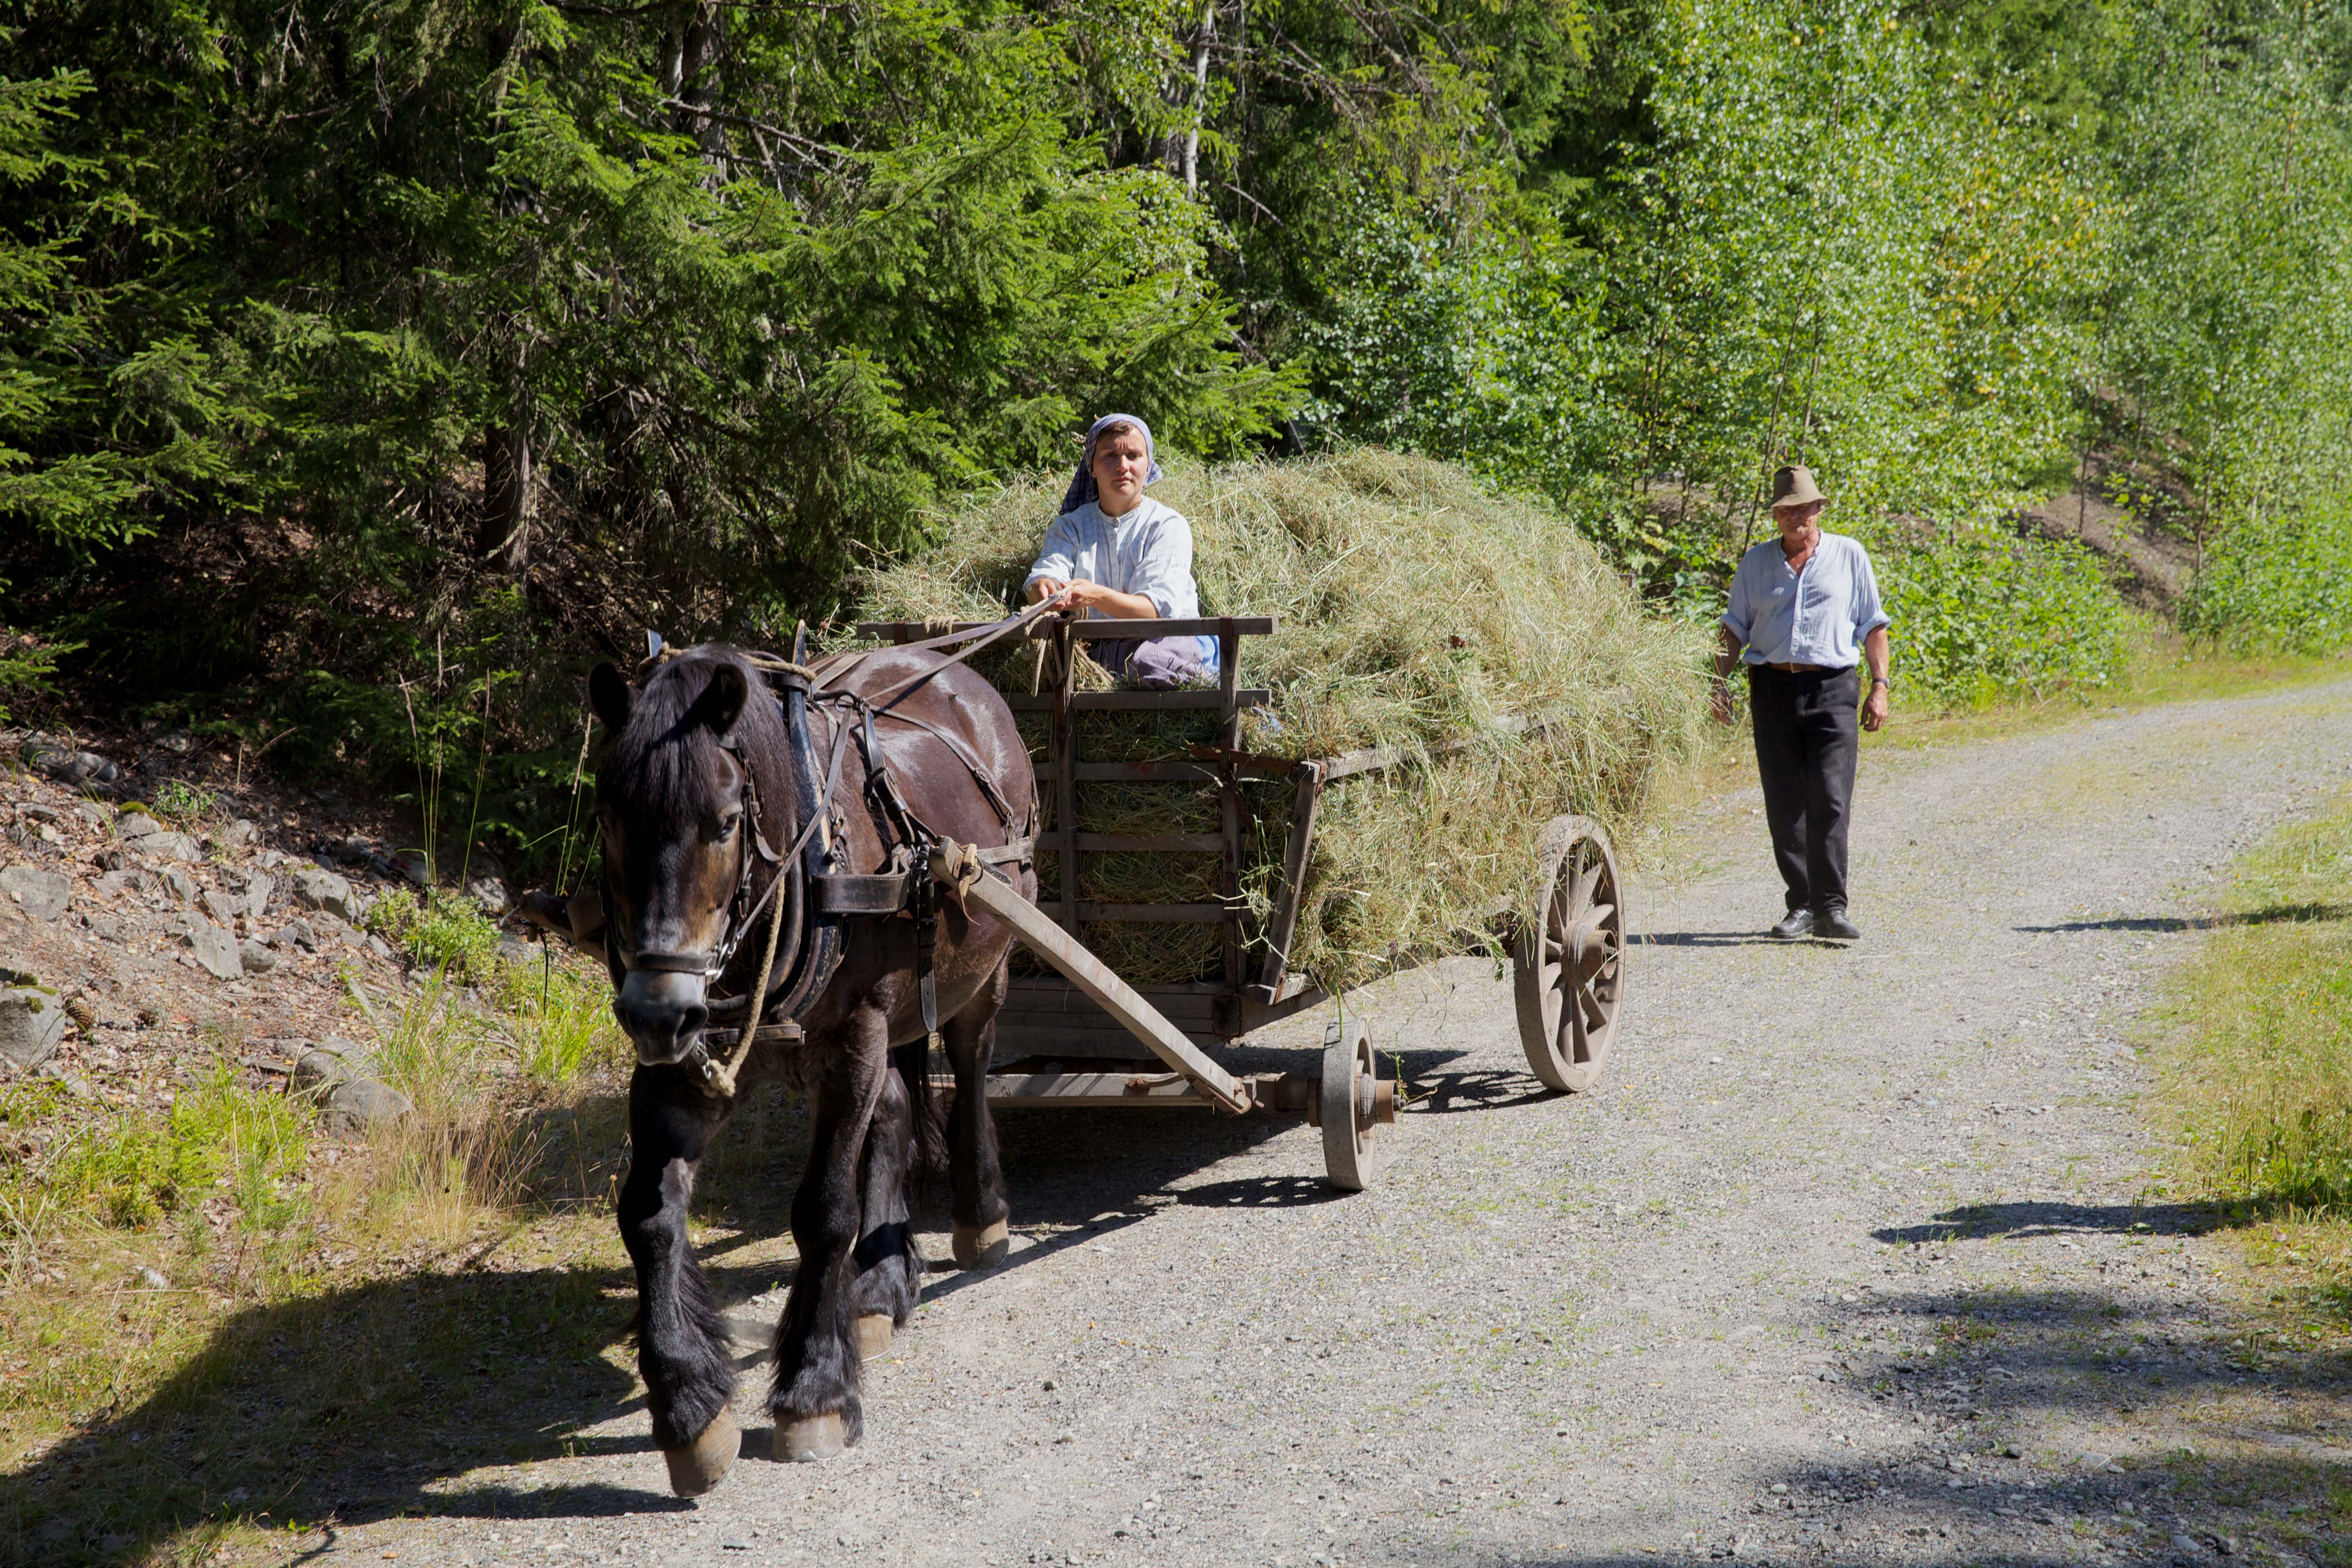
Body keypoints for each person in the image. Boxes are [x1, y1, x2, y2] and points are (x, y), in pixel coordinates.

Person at [1712, 464, 1892, 942]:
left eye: (1805, 509)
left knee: (1831, 798)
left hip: (1832, 688)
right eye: (1787, 510)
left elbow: (1873, 625)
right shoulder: (1756, 564)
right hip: (1771, 688)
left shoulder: (1849, 556)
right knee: (1785, 801)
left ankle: (1832, 907)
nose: (1798, 518)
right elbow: (1734, 629)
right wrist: (1716, 683)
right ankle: (1802, 905)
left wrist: (1880, 685)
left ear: (1819, 510)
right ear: (1776, 516)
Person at [1024, 414, 1219, 689]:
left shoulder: (1166, 526)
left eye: (1134, 455)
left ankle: (1212, 687)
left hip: (1165, 639)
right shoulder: (1070, 527)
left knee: (1148, 664)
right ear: (1091, 467)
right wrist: (1044, 591)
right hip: (1097, 644)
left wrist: (1095, 595)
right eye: (1110, 455)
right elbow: (1045, 575)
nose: (1123, 466)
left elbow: (1154, 610)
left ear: (1149, 464)